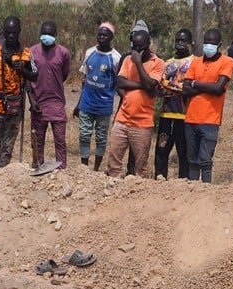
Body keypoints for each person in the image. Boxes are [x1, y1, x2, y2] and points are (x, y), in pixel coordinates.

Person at [0, 16, 38, 170]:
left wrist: (22, 69)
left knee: (8, 145)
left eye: (14, 32)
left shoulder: (26, 53)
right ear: (4, 32)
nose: (11, 36)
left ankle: (3, 174)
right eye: (8, 32)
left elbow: (35, 76)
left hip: (15, 105)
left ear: (19, 32)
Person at [105, 28, 164, 178]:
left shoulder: (158, 63)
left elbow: (152, 85)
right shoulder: (126, 60)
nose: (136, 51)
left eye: (140, 47)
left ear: (148, 44)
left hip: (142, 122)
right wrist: (143, 85)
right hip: (122, 118)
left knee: (141, 166)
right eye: (134, 48)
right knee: (114, 159)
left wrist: (138, 64)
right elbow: (120, 81)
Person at [182, 28, 233, 183]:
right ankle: (192, 191)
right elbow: (185, 89)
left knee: (205, 161)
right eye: (206, 43)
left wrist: (195, 83)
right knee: (191, 160)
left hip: (210, 120)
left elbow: (218, 89)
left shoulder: (227, 62)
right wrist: (207, 87)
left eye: (212, 43)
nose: (208, 46)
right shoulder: (195, 62)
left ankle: (206, 194)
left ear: (219, 44)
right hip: (191, 119)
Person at [73, 22, 120, 172]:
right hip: (87, 103)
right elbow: (84, 80)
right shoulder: (89, 53)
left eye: (105, 35)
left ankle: (96, 169)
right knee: (84, 136)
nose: (102, 37)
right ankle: (84, 169)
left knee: (101, 138)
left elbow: (119, 82)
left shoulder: (115, 58)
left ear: (111, 37)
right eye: (100, 34)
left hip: (104, 106)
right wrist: (78, 103)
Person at [28, 21, 70, 169]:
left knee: (60, 141)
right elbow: (28, 78)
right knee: (37, 142)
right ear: (40, 34)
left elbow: (64, 75)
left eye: (50, 34)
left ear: (56, 35)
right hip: (38, 104)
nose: (47, 36)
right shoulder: (31, 52)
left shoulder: (63, 53)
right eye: (44, 33)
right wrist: (32, 101)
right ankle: (38, 168)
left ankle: (61, 169)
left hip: (57, 104)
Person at [154, 28, 194, 180]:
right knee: (161, 149)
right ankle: (159, 179)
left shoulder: (194, 62)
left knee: (183, 152)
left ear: (190, 43)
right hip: (166, 114)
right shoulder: (168, 63)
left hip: (185, 116)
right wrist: (177, 87)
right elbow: (160, 86)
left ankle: (183, 183)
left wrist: (170, 86)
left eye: (183, 41)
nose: (180, 44)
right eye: (177, 40)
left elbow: (190, 88)